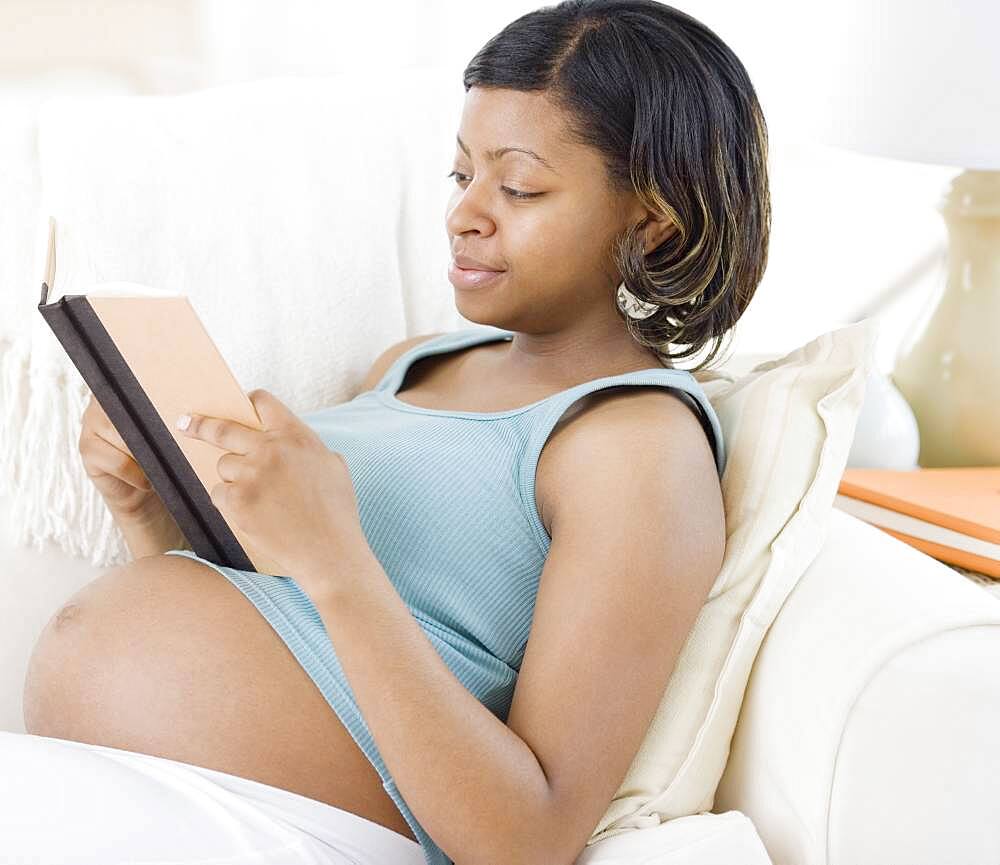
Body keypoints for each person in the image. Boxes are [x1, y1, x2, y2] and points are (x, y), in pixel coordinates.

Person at [7, 2, 769, 863]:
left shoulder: (635, 446)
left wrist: (333, 554)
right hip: (169, 790)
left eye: (519, 187)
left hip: (299, 830)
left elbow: (531, 836)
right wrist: (150, 514)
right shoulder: (415, 362)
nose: (467, 214)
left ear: (652, 221)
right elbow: (273, 633)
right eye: (460, 176)